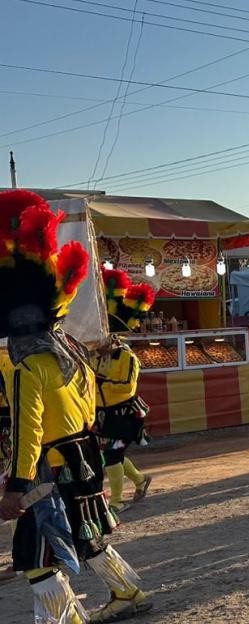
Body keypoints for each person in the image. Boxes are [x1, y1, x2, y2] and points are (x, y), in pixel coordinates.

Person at [0, 189, 152, 623]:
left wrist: (17, 487)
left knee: (35, 552)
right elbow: (86, 414)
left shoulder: (26, 370)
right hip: (84, 455)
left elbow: (28, 430)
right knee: (89, 532)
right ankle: (128, 591)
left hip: (49, 467)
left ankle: (61, 619)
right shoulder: (77, 359)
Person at [92, 269, 156, 515]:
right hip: (101, 414)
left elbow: (127, 387)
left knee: (112, 455)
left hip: (123, 413)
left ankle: (117, 500)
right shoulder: (95, 357)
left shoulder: (127, 357)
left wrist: (99, 383)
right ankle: (139, 480)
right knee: (111, 454)